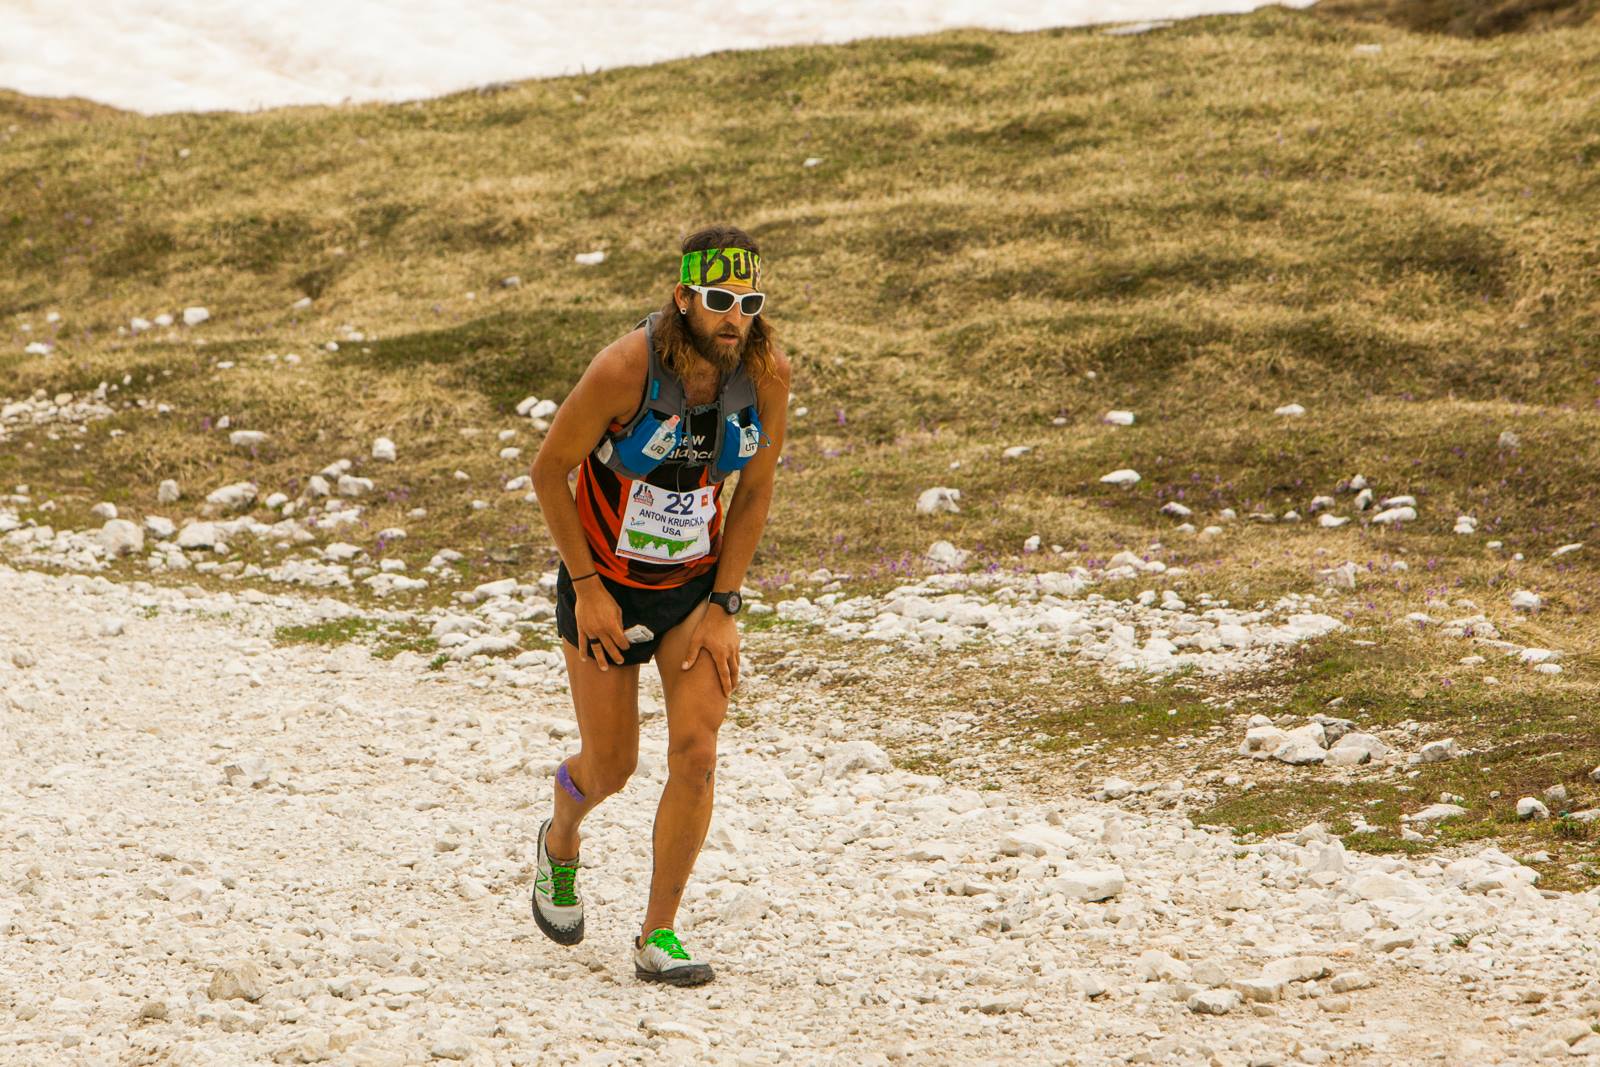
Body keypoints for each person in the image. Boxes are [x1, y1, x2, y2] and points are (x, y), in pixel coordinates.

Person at [528, 225, 790, 986]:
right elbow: (549, 471)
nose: (733, 317)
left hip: (692, 592)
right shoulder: (624, 368)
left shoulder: (767, 374)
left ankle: (657, 932)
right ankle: (561, 835)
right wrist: (587, 589)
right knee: (611, 765)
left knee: (697, 752)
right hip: (605, 583)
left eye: (748, 302)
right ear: (683, 298)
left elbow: (757, 487)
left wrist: (726, 603)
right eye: (717, 301)